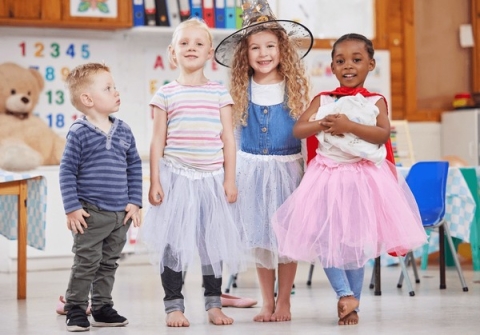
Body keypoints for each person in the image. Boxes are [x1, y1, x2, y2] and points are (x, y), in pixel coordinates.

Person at [272, 33, 428, 326]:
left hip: (363, 178)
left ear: (370, 64)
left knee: (356, 243)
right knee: (327, 239)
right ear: (332, 66)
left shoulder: (376, 101)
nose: (348, 66)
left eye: (357, 60)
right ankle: (344, 293)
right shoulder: (324, 99)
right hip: (327, 177)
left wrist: (349, 126)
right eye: (340, 60)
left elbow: (382, 135)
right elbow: (299, 130)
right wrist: (322, 123)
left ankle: (352, 304)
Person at [138, 18, 246, 327]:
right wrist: (155, 180)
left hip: (212, 180)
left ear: (210, 53)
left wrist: (229, 179)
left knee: (212, 243)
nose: (191, 48)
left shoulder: (219, 94)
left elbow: (228, 139)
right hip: (176, 178)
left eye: (199, 43)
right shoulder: (166, 94)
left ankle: (214, 303)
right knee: (173, 243)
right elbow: (157, 140)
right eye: (184, 43)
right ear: (173, 52)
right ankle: (174, 305)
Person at [214, 0, 313, 323]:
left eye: (270, 45)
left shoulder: (294, 88)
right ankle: (265, 301)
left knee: (286, 240)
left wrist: (309, 174)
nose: (263, 53)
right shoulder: (242, 89)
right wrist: (230, 176)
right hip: (252, 171)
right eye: (255, 47)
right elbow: (234, 137)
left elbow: (305, 135)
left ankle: (284, 301)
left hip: (288, 170)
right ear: (245, 54)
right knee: (260, 239)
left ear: (282, 49)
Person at [60, 62, 143, 332]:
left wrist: (135, 201)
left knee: (109, 263)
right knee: (86, 262)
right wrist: (72, 208)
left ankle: (102, 306)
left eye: (114, 86)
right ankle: (75, 306)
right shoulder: (79, 133)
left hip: (120, 215)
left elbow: (134, 167)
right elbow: (67, 171)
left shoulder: (124, 130)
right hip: (90, 214)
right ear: (88, 99)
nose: (116, 91)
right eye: (108, 88)